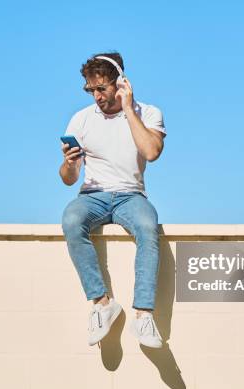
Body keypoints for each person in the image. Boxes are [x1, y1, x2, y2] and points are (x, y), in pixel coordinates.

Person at [60, 52, 166, 348]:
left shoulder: (148, 113)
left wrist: (129, 109)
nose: (96, 96)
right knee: (71, 220)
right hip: (92, 196)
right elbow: (68, 178)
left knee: (148, 226)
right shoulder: (80, 119)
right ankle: (102, 304)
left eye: (102, 88)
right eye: (90, 90)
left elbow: (152, 152)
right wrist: (69, 164)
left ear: (120, 83)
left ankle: (143, 315)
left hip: (131, 195)